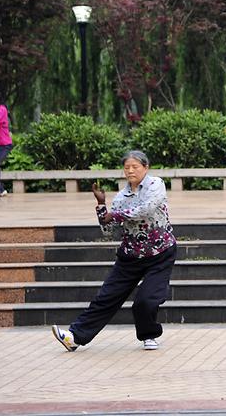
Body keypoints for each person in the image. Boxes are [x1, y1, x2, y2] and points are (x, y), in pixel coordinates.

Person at [52, 150, 177, 352]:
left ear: (146, 167)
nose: (130, 171)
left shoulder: (156, 184)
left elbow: (146, 209)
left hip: (160, 253)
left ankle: (149, 335)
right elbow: (107, 230)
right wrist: (102, 206)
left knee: (145, 300)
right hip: (130, 256)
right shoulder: (121, 197)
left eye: (135, 167)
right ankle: (74, 337)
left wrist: (115, 215)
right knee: (106, 297)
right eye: (127, 167)